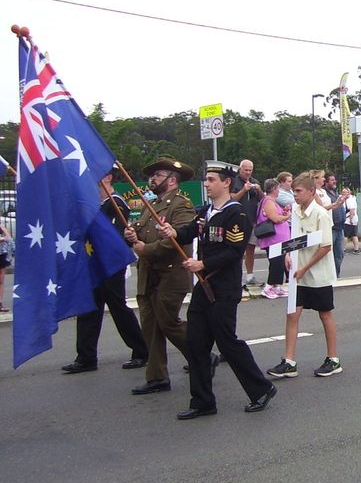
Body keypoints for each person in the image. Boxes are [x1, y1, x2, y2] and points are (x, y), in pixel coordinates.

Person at [160, 161, 276, 419]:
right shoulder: (207, 211)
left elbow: (234, 252)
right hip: (204, 286)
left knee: (227, 342)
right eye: (206, 179)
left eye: (212, 180)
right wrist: (172, 232)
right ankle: (202, 401)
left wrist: (203, 263)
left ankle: (261, 388)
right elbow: (191, 230)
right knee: (196, 342)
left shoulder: (237, 214)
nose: (207, 184)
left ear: (226, 182)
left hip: (223, 288)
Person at [62, 168, 149, 374]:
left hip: (110, 265)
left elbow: (114, 237)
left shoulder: (115, 204)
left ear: (108, 177)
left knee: (118, 308)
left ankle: (141, 350)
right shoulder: (95, 204)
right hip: (94, 263)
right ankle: (86, 356)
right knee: (89, 309)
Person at [123, 157, 196, 396]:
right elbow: (141, 233)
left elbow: (176, 240)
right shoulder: (149, 205)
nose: (152, 179)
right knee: (151, 327)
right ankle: (157, 377)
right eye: (152, 176)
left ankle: (202, 354)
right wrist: (131, 234)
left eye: (157, 175)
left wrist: (146, 249)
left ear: (172, 180)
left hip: (170, 274)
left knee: (168, 322)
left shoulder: (181, 205)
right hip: (149, 275)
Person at [267, 173, 342, 379]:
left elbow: (325, 246)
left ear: (311, 191)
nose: (295, 195)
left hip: (318, 275)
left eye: (298, 191)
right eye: (293, 192)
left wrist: (305, 267)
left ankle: (333, 359)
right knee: (292, 314)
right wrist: (288, 256)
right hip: (298, 275)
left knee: (325, 314)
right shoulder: (296, 212)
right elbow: (295, 240)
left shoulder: (320, 214)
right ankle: (289, 361)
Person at [230, 159, 264, 287]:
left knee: (251, 248)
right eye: (246, 170)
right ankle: (235, 277)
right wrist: (244, 190)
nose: (248, 172)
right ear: (240, 169)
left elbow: (262, 199)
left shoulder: (254, 181)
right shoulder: (234, 181)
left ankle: (250, 276)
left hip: (252, 220)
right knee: (238, 249)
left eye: (250, 170)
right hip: (238, 221)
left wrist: (259, 190)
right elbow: (231, 198)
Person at [257, 179, 292, 299]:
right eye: (278, 188)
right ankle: (269, 287)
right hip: (273, 239)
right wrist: (286, 216)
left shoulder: (272, 201)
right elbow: (274, 218)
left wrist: (284, 211)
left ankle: (276, 286)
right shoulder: (268, 201)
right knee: (276, 263)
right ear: (273, 189)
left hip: (278, 239)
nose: (279, 191)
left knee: (280, 263)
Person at [320, 173, 350, 277]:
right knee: (328, 253)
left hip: (340, 227)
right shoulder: (324, 194)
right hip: (331, 227)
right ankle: (330, 276)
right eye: (332, 180)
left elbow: (338, 205)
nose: (334, 181)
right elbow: (330, 206)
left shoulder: (335, 192)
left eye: (334, 179)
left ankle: (336, 275)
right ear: (326, 182)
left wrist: (344, 199)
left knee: (340, 254)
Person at [344, 188, 361, 255]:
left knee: (345, 235)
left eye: (345, 192)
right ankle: (356, 249)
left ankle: (343, 249)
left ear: (349, 193)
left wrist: (350, 219)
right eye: (342, 192)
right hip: (353, 220)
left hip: (349, 220)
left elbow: (352, 210)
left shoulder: (350, 200)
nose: (343, 194)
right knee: (354, 235)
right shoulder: (351, 199)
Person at [0, 222, 10, 313]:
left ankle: (0, 303)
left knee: (1, 280)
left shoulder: (1, 226)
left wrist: (3, 229)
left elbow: (8, 238)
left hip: (2, 254)